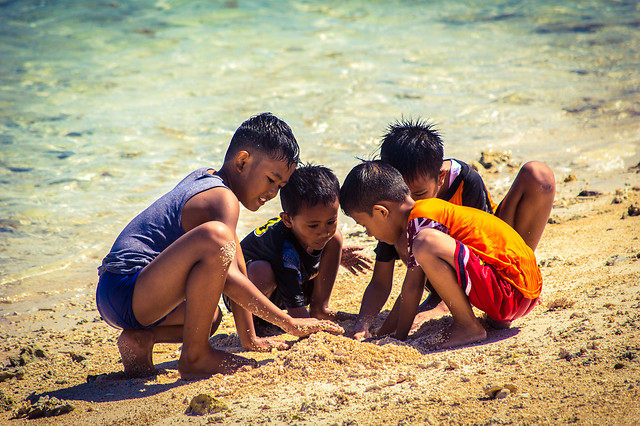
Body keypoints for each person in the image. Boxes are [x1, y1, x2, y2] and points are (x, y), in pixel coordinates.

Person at [96, 113, 343, 380]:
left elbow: (234, 266)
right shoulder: (223, 199)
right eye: (271, 180)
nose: (273, 193)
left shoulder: (207, 180)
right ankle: (196, 356)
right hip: (129, 288)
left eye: (280, 186)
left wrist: (250, 339)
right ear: (243, 161)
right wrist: (289, 323)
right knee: (216, 237)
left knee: (209, 318)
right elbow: (229, 275)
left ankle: (141, 339)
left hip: (119, 295)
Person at [351, 119, 555, 340]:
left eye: (416, 194)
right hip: (513, 289)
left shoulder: (420, 209)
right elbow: (392, 284)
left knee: (423, 241)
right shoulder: (401, 210)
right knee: (417, 242)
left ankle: (466, 320)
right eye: (402, 193)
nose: (407, 201)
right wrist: (373, 329)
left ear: (439, 178)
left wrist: (399, 336)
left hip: (504, 280)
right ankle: (485, 306)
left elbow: (414, 287)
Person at [225, 165, 354, 337]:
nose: (324, 232)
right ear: (287, 220)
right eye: (313, 225)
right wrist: (312, 330)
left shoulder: (322, 236)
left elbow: (322, 242)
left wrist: (336, 255)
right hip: (245, 295)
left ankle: (320, 308)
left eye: (331, 221)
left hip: (289, 280)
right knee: (261, 271)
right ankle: (256, 322)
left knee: (335, 238)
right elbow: (297, 313)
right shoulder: (284, 249)